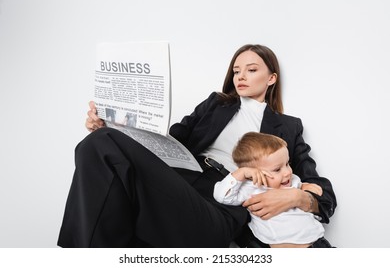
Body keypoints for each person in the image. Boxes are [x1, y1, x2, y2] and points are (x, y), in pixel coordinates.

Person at [58, 44, 337, 248]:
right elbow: (168, 141)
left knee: (104, 147)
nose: (241, 76)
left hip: (223, 206)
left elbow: (322, 192)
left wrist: (297, 198)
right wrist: (113, 127)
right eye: (237, 70)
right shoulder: (216, 105)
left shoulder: (287, 127)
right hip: (182, 182)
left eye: (252, 70)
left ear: (271, 78)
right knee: (97, 143)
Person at [214, 132, 332, 248]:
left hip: (319, 243)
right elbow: (221, 196)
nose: (287, 172)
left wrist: (305, 188)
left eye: (287, 163)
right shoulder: (251, 189)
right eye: (277, 170)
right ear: (252, 174)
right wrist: (241, 173)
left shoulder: (292, 181)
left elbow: (307, 189)